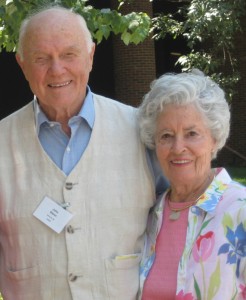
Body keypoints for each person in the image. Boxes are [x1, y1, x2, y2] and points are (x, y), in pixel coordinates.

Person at [0, 5, 168, 300]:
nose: (57, 69)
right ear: (22, 64)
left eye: (69, 54)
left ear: (90, 55)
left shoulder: (142, 132)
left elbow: (181, 218)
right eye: (41, 58)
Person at [137, 69, 246, 299]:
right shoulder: (149, 215)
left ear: (214, 138)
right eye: (166, 135)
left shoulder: (240, 210)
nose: (178, 148)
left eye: (192, 133)